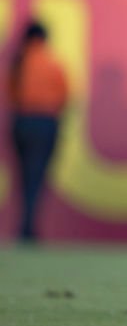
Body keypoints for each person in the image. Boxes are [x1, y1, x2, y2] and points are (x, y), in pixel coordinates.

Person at [7, 20, 68, 243]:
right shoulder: (52, 63)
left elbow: (12, 94)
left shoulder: (18, 62)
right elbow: (64, 96)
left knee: (24, 177)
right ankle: (29, 229)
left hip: (21, 122)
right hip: (45, 123)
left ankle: (25, 226)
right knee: (37, 177)